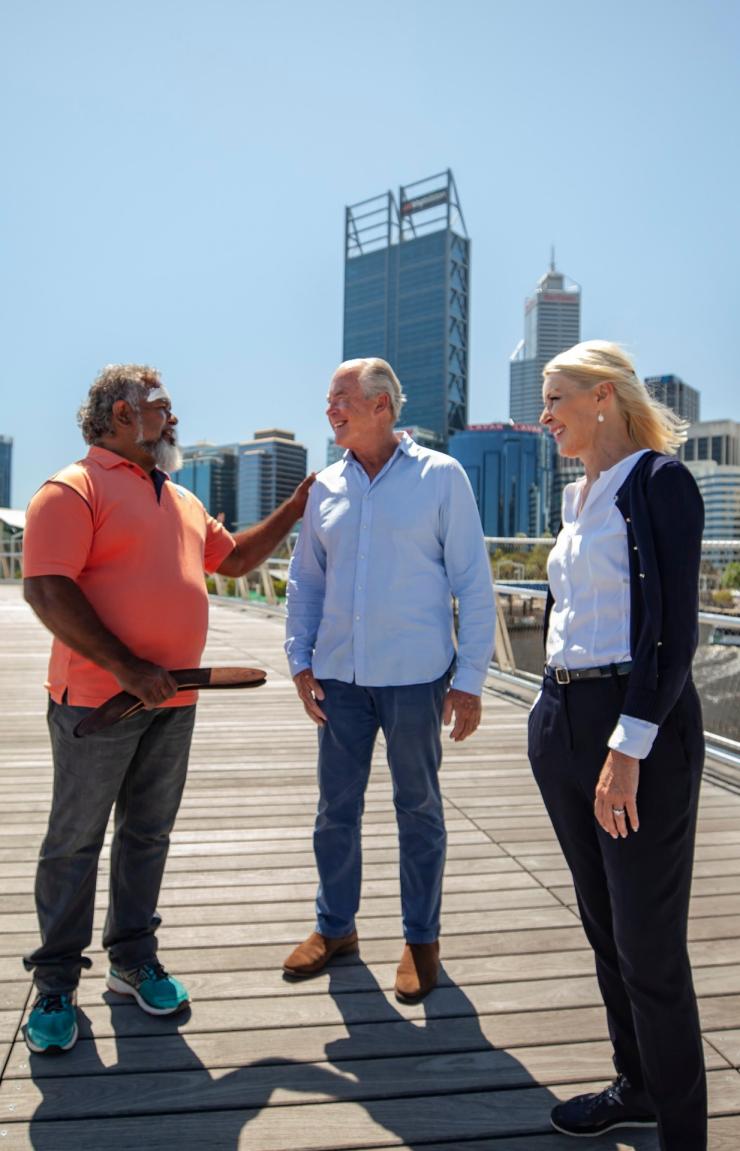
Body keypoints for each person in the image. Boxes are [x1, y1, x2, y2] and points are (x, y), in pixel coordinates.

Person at [21, 364, 313, 1054]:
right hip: (100, 701)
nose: (172, 419)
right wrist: (129, 667)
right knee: (76, 840)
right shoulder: (72, 489)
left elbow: (235, 559)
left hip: (176, 698)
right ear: (122, 415)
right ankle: (57, 984)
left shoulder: (177, 499)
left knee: (148, 833)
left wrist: (299, 503)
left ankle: (131, 960)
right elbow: (45, 591)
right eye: (161, 407)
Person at [529, 341, 706, 1150]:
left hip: (639, 729)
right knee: (605, 926)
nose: (544, 415)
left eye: (555, 397)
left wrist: (628, 745)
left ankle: (684, 1132)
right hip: (562, 720)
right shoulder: (576, 496)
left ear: (604, 396)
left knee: (648, 943)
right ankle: (635, 1084)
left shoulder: (660, 482)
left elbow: (673, 631)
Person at [282, 357, 495, 1002]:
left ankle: (420, 937)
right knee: (334, 812)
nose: (330, 409)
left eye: (340, 398)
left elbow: (473, 584)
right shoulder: (325, 489)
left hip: (416, 679)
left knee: (419, 808)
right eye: (328, 399)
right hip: (339, 678)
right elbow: (306, 581)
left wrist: (471, 679)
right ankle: (335, 927)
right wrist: (299, 657)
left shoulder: (441, 477)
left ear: (381, 405)